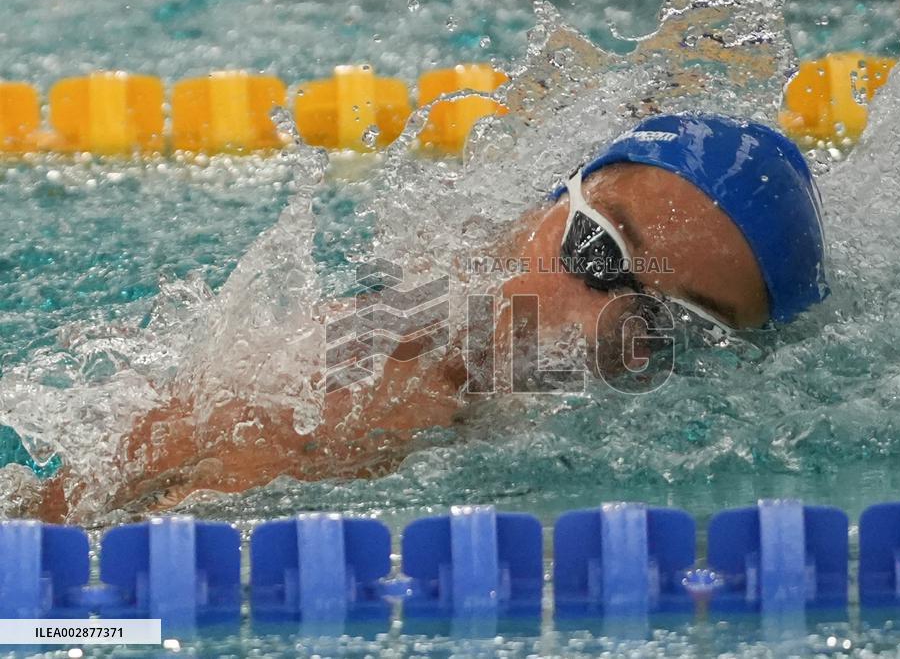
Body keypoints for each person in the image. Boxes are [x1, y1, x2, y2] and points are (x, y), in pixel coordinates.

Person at [28, 113, 828, 522]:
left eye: (668, 329)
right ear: (552, 205)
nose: (595, 332)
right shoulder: (386, 371)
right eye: (595, 250)